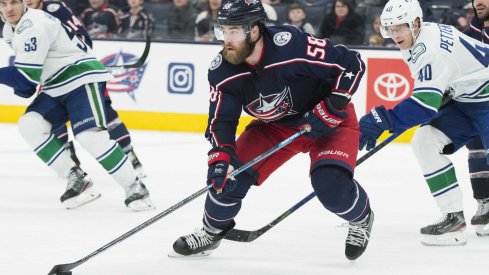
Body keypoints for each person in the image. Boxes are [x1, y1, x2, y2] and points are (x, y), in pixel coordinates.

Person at [170, 0, 373, 261]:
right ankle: (212, 231)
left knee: (331, 189)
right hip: (273, 127)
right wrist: (221, 153)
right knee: (226, 181)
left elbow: (351, 63)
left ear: (254, 31)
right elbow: (221, 120)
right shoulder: (223, 70)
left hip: (328, 122)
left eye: (233, 31)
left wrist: (334, 105)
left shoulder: (291, 45)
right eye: (223, 31)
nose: (226, 40)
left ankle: (361, 218)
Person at [0, 0, 154, 211]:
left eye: (14, 2)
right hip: (54, 85)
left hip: (80, 79)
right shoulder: (10, 30)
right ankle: (76, 177)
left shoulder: (33, 23)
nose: (9, 9)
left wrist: (17, 79)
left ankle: (135, 187)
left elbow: (26, 79)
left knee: (89, 136)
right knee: (30, 124)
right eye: (3, 3)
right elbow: (28, 83)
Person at [357, 0, 489, 246]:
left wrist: (383, 120)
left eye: (399, 28)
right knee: (425, 140)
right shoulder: (420, 35)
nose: (394, 35)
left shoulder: (429, 49)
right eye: (389, 29)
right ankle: (453, 218)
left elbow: (424, 105)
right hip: (469, 101)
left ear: (415, 23)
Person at [26, 0, 147, 179]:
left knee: (105, 112)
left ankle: (129, 155)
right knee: (49, 116)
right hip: (52, 78)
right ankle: (70, 161)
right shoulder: (20, 19)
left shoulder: (55, 9)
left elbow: (84, 39)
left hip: (79, 73)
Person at [456, 0, 489, 237]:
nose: (479, 2)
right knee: (476, 152)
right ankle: (484, 201)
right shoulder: (466, 37)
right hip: (478, 105)